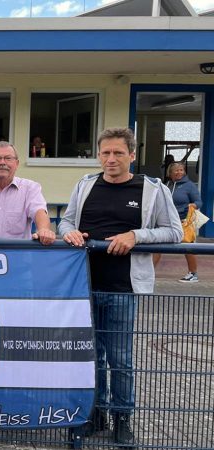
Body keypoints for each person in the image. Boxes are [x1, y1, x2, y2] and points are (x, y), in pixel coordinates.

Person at [59, 127, 182, 445]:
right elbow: (66, 221)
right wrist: (69, 233)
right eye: (105, 153)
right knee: (90, 357)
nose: (111, 159)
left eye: (117, 153)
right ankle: (94, 414)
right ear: (99, 155)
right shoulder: (85, 185)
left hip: (122, 288)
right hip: (83, 286)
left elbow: (174, 232)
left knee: (121, 359)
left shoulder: (153, 189)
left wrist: (136, 236)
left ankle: (122, 419)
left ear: (132, 154)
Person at [0, 141, 55, 245]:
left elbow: (39, 211)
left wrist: (44, 230)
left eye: (8, 158)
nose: (2, 162)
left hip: (17, 257)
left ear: (17, 164)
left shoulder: (30, 189)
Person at [153, 162, 202, 282]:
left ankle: (193, 274)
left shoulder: (189, 186)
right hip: (166, 221)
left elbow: (199, 202)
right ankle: (149, 273)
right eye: (176, 170)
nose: (179, 172)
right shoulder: (167, 185)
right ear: (170, 173)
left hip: (183, 221)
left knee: (187, 248)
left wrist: (193, 205)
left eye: (181, 170)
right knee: (157, 246)